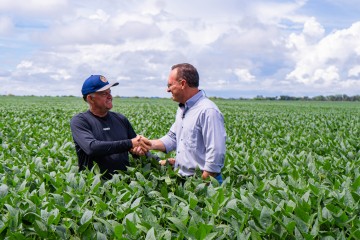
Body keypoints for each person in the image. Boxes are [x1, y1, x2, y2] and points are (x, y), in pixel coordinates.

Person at [149, 63, 227, 183]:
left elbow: (216, 153)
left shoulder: (208, 111)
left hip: (204, 182)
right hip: (185, 180)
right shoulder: (183, 109)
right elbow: (173, 138)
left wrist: (201, 183)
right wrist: (147, 144)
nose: (167, 89)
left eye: (170, 85)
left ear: (183, 84)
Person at [70, 75, 151, 179]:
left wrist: (149, 156)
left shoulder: (120, 119)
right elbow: (92, 148)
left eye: (110, 92)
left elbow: (136, 145)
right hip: (94, 188)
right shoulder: (80, 121)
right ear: (90, 98)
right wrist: (130, 143)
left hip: (123, 185)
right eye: (104, 93)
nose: (110, 96)